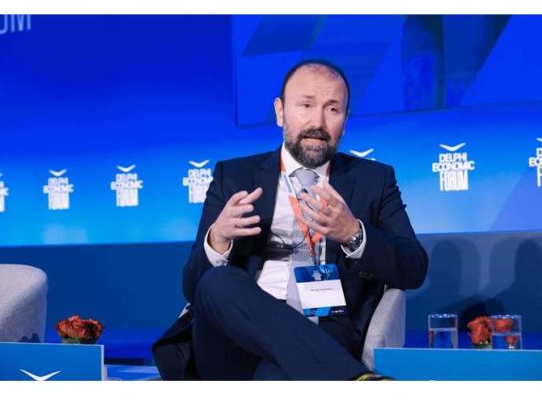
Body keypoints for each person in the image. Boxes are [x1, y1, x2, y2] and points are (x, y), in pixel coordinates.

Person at [152, 59, 428, 380]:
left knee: (276, 375)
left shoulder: (373, 180)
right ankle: (356, 382)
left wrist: (353, 233)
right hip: (235, 337)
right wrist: (219, 240)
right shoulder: (235, 176)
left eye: (333, 109)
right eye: (306, 105)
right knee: (219, 281)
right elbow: (193, 288)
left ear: (345, 119)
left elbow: (414, 268)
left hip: (323, 330)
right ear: (280, 112)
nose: (318, 122)